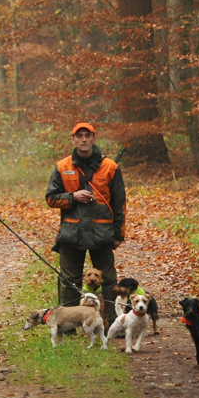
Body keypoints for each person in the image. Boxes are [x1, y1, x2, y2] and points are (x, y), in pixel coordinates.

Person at [45, 123, 125, 326]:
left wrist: (119, 234)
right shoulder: (62, 166)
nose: (83, 139)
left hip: (102, 234)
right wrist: (73, 197)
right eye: (79, 136)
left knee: (108, 281)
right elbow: (51, 198)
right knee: (69, 281)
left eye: (87, 136)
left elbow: (120, 203)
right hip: (72, 233)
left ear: (93, 138)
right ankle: (67, 324)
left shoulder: (110, 167)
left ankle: (114, 322)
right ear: (73, 139)